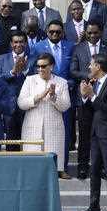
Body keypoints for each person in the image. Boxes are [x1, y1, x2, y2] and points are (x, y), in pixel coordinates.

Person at [31, 19, 76, 170]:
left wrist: (69, 82)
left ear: (62, 32)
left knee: (65, 130)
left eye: (58, 31)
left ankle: (62, 167)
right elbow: (34, 69)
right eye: (51, 32)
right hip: (44, 97)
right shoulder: (38, 47)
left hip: (64, 93)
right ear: (46, 32)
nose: (55, 34)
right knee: (46, 132)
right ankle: (45, 167)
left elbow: (73, 68)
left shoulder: (70, 46)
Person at [18, 52, 71, 178]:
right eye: (38, 66)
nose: (40, 69)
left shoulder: (61, 82)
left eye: (43, 66)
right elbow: (21, 103)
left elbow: (65, 106)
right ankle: (31, 171)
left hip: (53, 122)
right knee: (32, 152)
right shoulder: (30, 80)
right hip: (32, 121)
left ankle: (59, 169)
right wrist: (38, 98)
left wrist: (53, 97)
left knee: (55, 148)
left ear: (51, 66)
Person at [69, 21, 107, 179]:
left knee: (102, 134)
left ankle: (100, 167)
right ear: (85, 33)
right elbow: (73, 70)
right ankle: (82, 166)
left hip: (103, 95)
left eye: (95, 32)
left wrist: (100, 77)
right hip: (84, 96)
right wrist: (88, 76)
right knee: (85, 134)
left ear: (101, 32)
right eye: (89, 33)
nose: (92, 35)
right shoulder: (78, 48)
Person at [80, 54, 107, 211]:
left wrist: (91, 95)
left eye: (91, 65)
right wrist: (84, 96)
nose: (89, 68)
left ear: (98, 66)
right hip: (95, 132)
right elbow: (91, 108)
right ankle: (94, 204)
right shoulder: (93, 83)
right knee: (94, 169)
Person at [0, 32, 33, 145]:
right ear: (11, 44)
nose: (18, 44)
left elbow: (36, 79)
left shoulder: (32, 59)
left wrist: (25, 71)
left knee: (28, 141)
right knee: (11, 143)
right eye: (15, 42)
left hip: (27, 105)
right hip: (9, 105)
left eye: (21, 41)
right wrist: (13, 72)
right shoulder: (2, 58)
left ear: (26, 43)